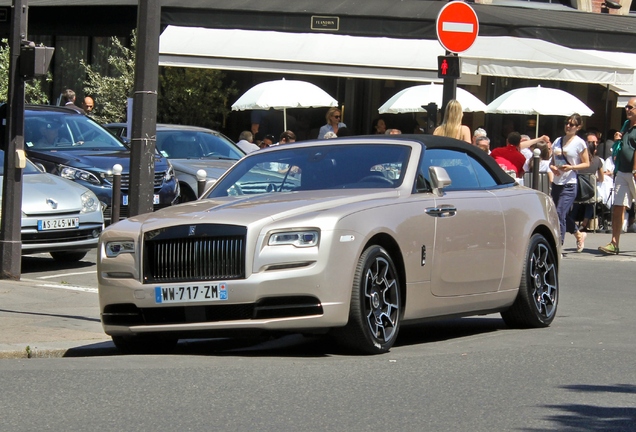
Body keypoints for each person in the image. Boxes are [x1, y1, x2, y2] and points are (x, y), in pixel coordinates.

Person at [599, 98, 636, 255]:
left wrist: (635, 170)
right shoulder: (627, 126)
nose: (627, 109)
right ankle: (614, 243)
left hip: (634, 172)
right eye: (626, 107)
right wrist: (617, 140)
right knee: (617, 207)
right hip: (622, 171)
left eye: (630, 107)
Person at [550, 113, 590, 252]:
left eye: (572, 124)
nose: (568, 126)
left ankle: (558, 246)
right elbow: (552, 161)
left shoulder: (579, 143)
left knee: (560, 213)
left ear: (578, 127)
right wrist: (553, 168)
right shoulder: (557, 140)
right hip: (557, 182)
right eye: (567, 123)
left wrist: (572, 167)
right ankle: (579, 234)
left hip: (570, 183)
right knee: (560, 213)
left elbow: (586, 163)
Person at [572, 133, 604, 232]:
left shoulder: (578, 161)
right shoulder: (597, 160)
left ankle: (571, 220)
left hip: (578, 191)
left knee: (576, 204)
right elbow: (602, 178)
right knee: (591, 203)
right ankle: (585, 222)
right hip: (590, 192)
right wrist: (596, 179)